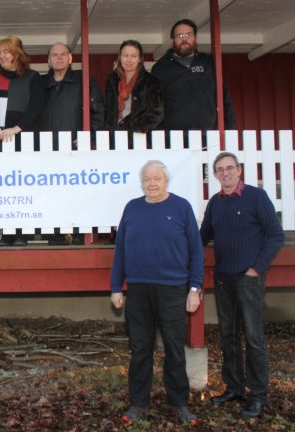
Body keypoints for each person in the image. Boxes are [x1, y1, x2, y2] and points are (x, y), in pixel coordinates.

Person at [110, 160, 203, 425]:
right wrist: (117, 286)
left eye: (157, 179)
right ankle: (138, 403)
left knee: (174, 349)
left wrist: (194, 289)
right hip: (138, 290)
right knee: (140, 349)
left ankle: (179, 403)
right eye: (147, 179)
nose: (152, 183)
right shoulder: (132, 208)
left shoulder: (181, 207)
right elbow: (121, 252)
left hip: (174, 290)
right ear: (142, 182)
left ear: (166, 181)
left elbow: (196, 252)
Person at [200, 152, 284, 417]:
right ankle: (234, 387)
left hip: (248, 280)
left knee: (254, 338)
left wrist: (255, 269)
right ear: (215, 175)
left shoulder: (256, 197)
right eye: (220, 170)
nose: (225, 173)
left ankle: (257, 395)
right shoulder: (215, 202)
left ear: (239, 170)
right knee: (228, 337)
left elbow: (275, 235)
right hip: (224, 279)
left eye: (229, 168)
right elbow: (202, 237)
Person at [0, 35, 44, 246]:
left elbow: (36, 107)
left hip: (22, 141)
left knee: (22, 188)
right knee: (0, 188)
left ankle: (21, 233)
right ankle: (5, 233)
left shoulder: (33, 77)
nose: (2, 55)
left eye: (6, 51)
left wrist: (17, 128)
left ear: (17, 54)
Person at [151, 18, 236, 133]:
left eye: (188, 35)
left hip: (207, 136)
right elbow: (152, 104)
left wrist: (230, 129)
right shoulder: (160, 68)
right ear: (172, 40)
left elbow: (223, 97)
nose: (184, 39)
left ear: (195, 38)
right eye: (179, 36)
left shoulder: (208, 63)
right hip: (172, 139)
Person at [39, 42, 104, 147]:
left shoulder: (83, 79)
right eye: (55, 55)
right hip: (45, 146)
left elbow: (98, 111)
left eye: (63, 54)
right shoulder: (39, 83)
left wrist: (90, 135)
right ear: (49, 61)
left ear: (70, 59)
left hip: (75, 146)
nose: (59, 57)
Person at [104, 40, 164, 135]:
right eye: (125, 55)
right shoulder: (112, 80)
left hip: (140, 137)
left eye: (133, 56)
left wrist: (135, 128)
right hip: (114, 136)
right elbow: (106, 110)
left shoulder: (151, 81)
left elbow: (157, 113)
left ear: (140, 59)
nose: (129, 60)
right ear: (120, 57)